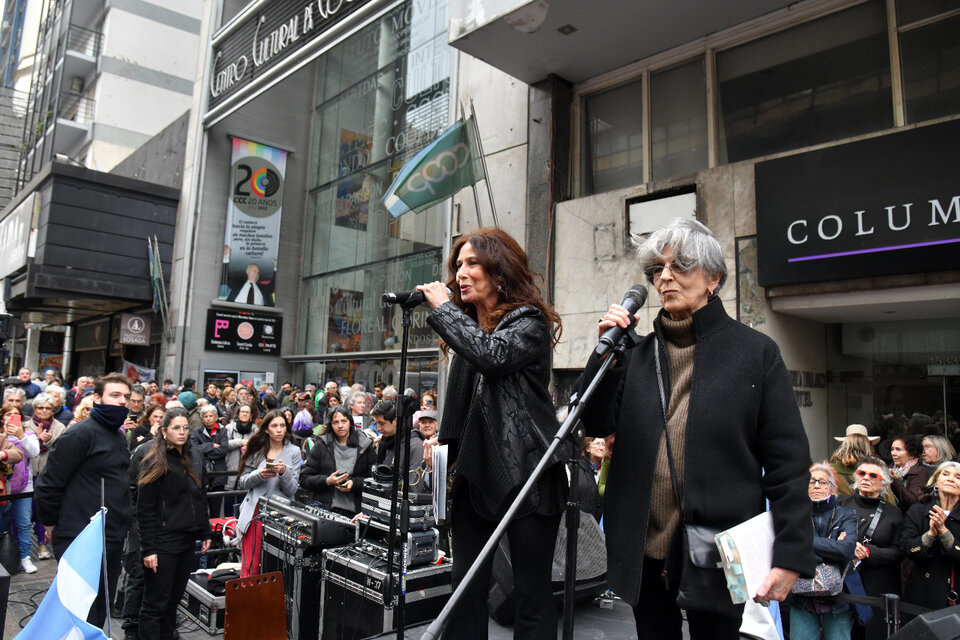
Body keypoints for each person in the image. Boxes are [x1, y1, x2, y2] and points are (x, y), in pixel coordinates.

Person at [576, 218, 815, 638]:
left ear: (714, 278)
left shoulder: (755, 354)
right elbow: (592, 421)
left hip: (719, 551)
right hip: (642, 550)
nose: (665, 277)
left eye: (680, 265)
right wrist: (606, 361)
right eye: (656, 270)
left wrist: (791, 555)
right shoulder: (634, 353)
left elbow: (787, 464)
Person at [417, 227, 573, 640]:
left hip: (528, 476)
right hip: (474, 473)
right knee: (465, 590)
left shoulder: (528, 321)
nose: (461, 274)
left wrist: (445, 312)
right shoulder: (468, 328)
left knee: (530, 594)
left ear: (499, 272)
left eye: (472, 264)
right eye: (458, 266)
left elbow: (495, 355)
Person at [35, 373, 134, 628]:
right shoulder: (80, 434)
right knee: (78, 614)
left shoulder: (116, 434)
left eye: (126, 397)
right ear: (97, 398)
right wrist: (49, 524)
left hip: (110, 536)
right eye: (115, 395)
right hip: (81, 536)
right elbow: (49, 483)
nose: (122, 402)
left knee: (100, 610)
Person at [136, 407, 212, 639]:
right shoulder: (154, 459)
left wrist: (205, 530)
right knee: (155, 603)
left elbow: (198, 497)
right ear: (164, 430)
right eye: (176, 428)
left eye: (186, 428)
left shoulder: (195, 455)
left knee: (174, 600)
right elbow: (145, 508)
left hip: (187, 540)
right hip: (162, 541)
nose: (182, 432)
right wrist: (149, 548)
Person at [786, 463, 858, 640]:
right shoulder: (794, 515)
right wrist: (833, 548)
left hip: (839, 595)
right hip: (801, 594)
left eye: (822, 482)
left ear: (832, 488)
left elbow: (846, 550)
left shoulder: (846, 515)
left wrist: (805, 543)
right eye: (811, 482)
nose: (816, 485)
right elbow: (790, 550)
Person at [837, 457, 903, 640]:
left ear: (883, 484)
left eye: (873, 475)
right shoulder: (839, 503)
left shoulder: (893, 513)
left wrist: (869, 552)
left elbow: (898, 553)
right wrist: (841, 544)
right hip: (841, 583)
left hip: (876, 586)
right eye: (862, 473)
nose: (866, 478)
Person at [235, 409, 300, 577]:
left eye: (282, 426)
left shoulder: (294, 451)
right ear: (266, 429)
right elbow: (242, 482)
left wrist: (284, 472)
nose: (279, 430)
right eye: (274, 426)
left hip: (281, 515)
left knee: (277, 566)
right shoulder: (256, 449)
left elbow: (292, 490)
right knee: (251, 565)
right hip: (256, 512)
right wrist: (260, 474)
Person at [901, 461, 960, 611]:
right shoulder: (918, 510)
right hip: (922, 593)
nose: (951, 479)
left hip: (955, 594)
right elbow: (907, 549)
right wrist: (931, 534)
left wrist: (944, 531)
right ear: (936, 482)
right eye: (945, 474)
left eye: (958, 477)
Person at [299, 405, 375, 515]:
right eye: (335, 422)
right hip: (325, 509)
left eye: (343, 421)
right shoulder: (322, 445)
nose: (340, 426)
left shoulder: (364, 446)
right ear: (331, 425)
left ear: (350, 422)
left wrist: (354, 483)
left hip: (356, 511)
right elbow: (304, 479)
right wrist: (326, 481)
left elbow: (373, 481)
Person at [1, 403, 40, 573]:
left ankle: (25, 557)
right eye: (8, 414)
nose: (11, 417)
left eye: (15, 414)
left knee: (24, 522)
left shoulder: (28, 434)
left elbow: (33, 453)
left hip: (24, 486)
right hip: (4, 487)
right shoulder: (1, 436)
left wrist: (21, 436)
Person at [28, 392, 67, 561]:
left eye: (48, 408)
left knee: (41, 510)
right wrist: (35, 440)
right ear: (34, 408)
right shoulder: (25, 425)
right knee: (23, 514)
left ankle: (42, 543)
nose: (44, 411)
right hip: (27, 475)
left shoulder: (59, 427)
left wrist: (47, 441)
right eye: (40, 407)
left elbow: (60, 451)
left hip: (47, 474)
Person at [369, 399, 426, 493]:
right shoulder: (385, 442)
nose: (378, 428)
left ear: (396, 421)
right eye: (376, 423)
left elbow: (414, 488)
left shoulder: (415, 446)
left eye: (382, 423)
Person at [190, 404, 229, 518]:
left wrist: (205, 452)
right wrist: (211, 445)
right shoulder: (197, 432)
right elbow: (194, 449)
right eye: (205, 416)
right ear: (202, 419)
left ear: (216, 417)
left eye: (210, 416)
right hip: (202, 472)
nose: (208, 418)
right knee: (201, 508)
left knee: (216, 509)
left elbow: (223, 449)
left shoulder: (222, 430)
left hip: (218, 473)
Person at [830, 425, 880, 497]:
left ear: (844, 446)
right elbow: (889, 503)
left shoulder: (828, 471)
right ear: (869, 446)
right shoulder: (879, 472)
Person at [890, 435, 931, 514]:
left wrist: (895, 481)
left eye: (898, 450)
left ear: (911, 454)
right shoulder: (891, 468)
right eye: (892, 449)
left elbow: (914, 502)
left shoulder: (920, 471)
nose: (893, 453)